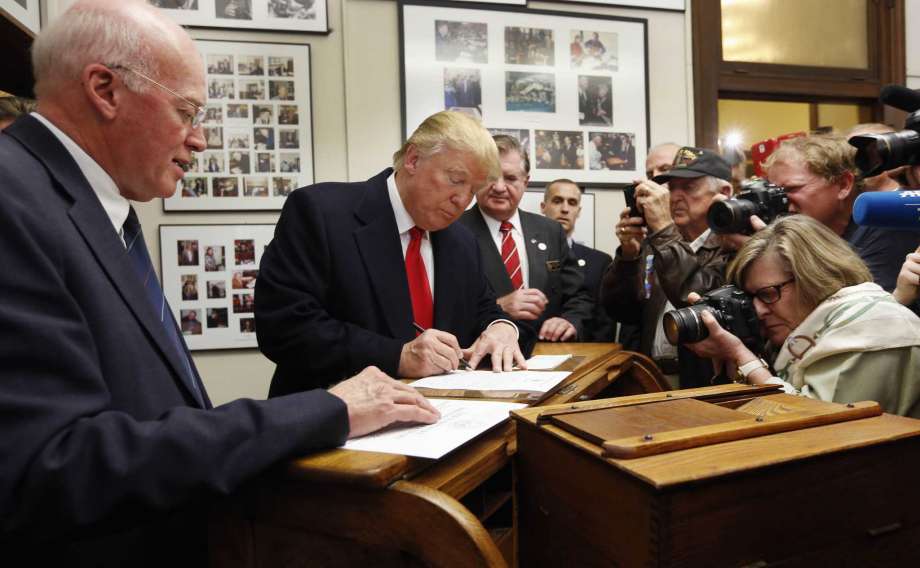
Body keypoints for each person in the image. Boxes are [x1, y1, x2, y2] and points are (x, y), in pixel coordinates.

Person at [0, 2, 438, 564]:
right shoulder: (15, 199)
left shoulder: (99, 210)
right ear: (105, 89)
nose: (201, 141)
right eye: (187, 112)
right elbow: (51, 465)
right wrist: (327, 411)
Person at [255, 111, 533, 397]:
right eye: (455, 180)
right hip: (334, 421)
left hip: (442, 422)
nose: (463, 200)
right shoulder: (321, 212)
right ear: (413, 159)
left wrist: (502, 327)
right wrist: (399, 355)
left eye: (473, 190)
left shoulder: (461, 241)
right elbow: (284, 327)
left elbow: (483, 311)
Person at [685, 215, 920, 417]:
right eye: (750, 299)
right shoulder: (819, 327)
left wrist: (742, 357)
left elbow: (818, 430)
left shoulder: (873, 328)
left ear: (814, 276)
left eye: (767, 294)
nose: (757, 310)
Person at [601, 146, 733, 388]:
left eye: (689, 187)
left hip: (704, 381)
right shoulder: (657, 244)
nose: (675, 196)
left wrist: (664, 230)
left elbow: (701, 306)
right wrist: (629, 256)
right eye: (672, 188)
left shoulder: (733, 246)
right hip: (650, 376)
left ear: (723, 193)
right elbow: (621, 310)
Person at [459, 135, 593, 342]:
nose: (499, 187)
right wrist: (499, 308)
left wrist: (569, 321)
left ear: (525, 181)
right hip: (481, 358)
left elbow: (578, 296)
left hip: (547, 355)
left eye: (510, 178)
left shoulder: (550, 230)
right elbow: (442, 308)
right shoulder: (453, 231)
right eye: (490, 176)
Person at [764, 133, 920, 292]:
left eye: (791, 189)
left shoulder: (884, 227)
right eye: (775, 193)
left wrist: (775, 263)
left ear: (844, 185)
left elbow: (855, 309)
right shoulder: (817, 236)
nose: (782, 201)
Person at [541, 179, 614, 341]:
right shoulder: (525, 255)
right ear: (543, 207)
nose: (565, 209)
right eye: (557, 201)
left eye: (572, 203)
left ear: (578, 211)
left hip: (585, 353)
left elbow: (604, 324)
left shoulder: (599, 261)